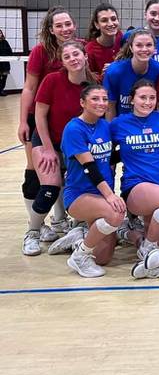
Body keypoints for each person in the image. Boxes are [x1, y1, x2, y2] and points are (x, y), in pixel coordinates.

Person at [23, 41, 95, 256]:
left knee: (83, 186)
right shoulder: (52, 80)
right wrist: (46, 148)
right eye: (68, 56)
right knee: (50, 188)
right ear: (62, 62)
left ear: (85, 57)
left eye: (77, 54)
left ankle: (74, 226)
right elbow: (40, 115)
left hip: (75, 145)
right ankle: (33, 232)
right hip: (48, 140)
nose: (73, 59)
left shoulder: (93, 83)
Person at [17, 7, 78, 239]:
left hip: (66, 117)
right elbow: (29, 87)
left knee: (64, 168)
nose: (65, 29)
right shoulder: (41, 51)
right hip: (39, 116)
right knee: (36, 170)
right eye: (59, 25)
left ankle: (59, 218)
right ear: (51, 29)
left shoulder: (79, 48)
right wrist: (24, 120)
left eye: (68, 24)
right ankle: (34, 225)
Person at [109, 79, 159, 260]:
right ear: (132, 99)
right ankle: (146, 248)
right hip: (136, 185)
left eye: (152, 98)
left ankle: (129, 234)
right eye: (142, 97)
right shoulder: (118, 124)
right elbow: (104, 153)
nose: (148, 102)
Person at [55, 85, 123, 277]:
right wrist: (110, 196)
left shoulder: (104, 126)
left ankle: (79, 238)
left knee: (103, 258)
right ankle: (79, 256)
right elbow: (89, 167)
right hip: (79, 195)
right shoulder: (74, 129)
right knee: (116, 213)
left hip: (100, 194)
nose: (101, 103)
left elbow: (111, 158)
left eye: (104, 99)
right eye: (95, 99)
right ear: (82, 102)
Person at [103, 29, 159, 118]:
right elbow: (110, 107)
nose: (144, 49)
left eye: (149, 45)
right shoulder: (115, 72)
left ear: (155, 48)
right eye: (139, 45)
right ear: (131, 48)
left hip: (148, 124)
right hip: (122, 125)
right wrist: (112, 130)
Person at [121, 0, 159, 69]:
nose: (157, 18)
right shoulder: (130, 35)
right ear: (145, 14)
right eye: (153, 14)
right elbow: (121, 61)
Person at [84, 3, 122, 76]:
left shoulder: (122, 37)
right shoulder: (90, 50)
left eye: (113, 19)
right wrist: (104, 74)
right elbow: (89, 81)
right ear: (97, 25)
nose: (110, 24)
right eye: (104, 20)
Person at [0, 28, 11, 95]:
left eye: (0, 33)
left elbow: (10, 52)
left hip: (5, 63)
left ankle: (1, 90)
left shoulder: (5, 42)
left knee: (4, 77)